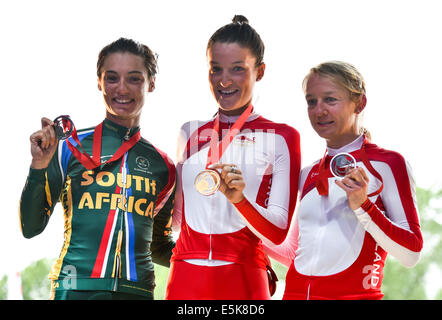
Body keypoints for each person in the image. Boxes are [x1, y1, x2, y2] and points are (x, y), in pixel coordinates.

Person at [19, 38, 176, 300]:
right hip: (74, 289)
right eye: (112, 78)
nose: (122, 89)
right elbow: (30, 226)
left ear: (152, 83)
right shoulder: (67, 147)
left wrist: (217, 260)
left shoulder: (164, 166)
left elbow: (159, 246)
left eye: (134, 79)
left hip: (137, 293)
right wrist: (38, 166)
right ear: (99, 82)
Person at [165, 15, 301, 300]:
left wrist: (239, 199)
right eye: (216, 69)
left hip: (243, 276)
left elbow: (277, 232)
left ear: (260, 71)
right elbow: (177, 221)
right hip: (185, 276)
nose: (224, 81)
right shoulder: (189, 133)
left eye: (237, 69)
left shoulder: (281, 137)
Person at [265, 61, 424, 300]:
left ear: (360, 103)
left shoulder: (387, 164)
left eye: (330, 99)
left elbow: (410, 254)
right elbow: (294, 254)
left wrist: (363, 206)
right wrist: (241, 213)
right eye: (311, 101)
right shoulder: (308, 174)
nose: (319, 111)